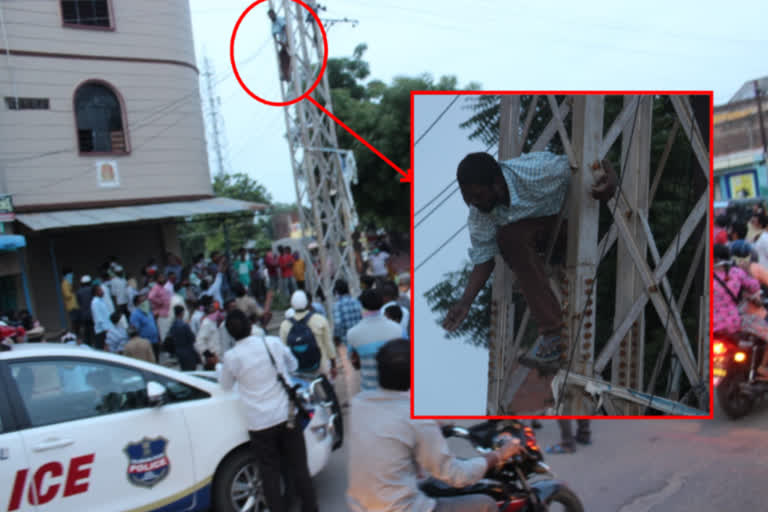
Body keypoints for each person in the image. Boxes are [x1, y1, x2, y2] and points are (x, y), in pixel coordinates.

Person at [443, 151, 617, 370]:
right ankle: (554, 333)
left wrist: (610, 176)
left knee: (510, 236)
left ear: (497, 183)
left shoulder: (539, 171)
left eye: (478, 196)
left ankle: (554, 331)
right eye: (468, 199)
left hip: (577, 224)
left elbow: (589, 161)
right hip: (542, 242)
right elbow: (484, 259)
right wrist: (465, 302)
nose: (474, 204)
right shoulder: (479, 214)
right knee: (508, 238)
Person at [346, 338, 523, 511]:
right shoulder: (415, 417)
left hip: (361, 505)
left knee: (430, 485)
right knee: (486, 503)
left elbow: (387, 435)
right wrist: (499, 454)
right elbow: (457, 475)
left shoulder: (360, 403)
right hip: (400, 508)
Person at [220, 309, 318, 512]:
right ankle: (310, 507)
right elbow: (293, 364)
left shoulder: (231, 357)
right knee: (299, 466)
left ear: (231, 334)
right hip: (287, 415)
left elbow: (226, 385)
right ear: (250, 325)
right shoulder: (271, 343)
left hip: (259, 423)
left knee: (269, 473)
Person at [347, 289, 403, 392]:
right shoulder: (398, 330)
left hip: (370, 392)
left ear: (361, 306)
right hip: (396, 392)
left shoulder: (352, 334)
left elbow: (354, 363)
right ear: (382, 303)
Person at [279, 290, 336, 378]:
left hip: (298, 369)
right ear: (308, 303)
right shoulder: (320, 319)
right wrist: (333, 365)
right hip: (321, 366)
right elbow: (329, 345)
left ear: (292, 305)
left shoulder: (284, 325)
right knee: (328, 390)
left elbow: (283, 350)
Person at [713, 244, 760, 339]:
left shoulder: (706, 277)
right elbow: (755, 287)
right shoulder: (736, 272)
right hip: (733, 325)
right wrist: (747, 270)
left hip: (711, 326)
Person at [129, 294, 161, 362]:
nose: (145, 302)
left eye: (145, 300)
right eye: (143, 301)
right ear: (137, 303)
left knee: (157, 361)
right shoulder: (135, 315)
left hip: (155, 341)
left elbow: (153, 324)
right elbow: (134, 330)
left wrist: (158, 336)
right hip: (145, 344)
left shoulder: (148, 311)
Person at [169, 304, 200, 371]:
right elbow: (192, 338)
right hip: (188, 351)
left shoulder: (173, 325)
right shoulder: (184, 325)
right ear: (182, 313)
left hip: (178, 351)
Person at [195, 299, 223, 370]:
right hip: (211, 361)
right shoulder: (207, 323)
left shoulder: (217, 322)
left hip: (219, 359)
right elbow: (199, 342)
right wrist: (210, 356)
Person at [149, 273, 172, 343]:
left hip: (166, 313)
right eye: (160, 277)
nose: (162, 279)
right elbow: (150, 297)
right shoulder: (156, 287)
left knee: (167, 332)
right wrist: (160, 302)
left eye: (163, 277)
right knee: (163, 334)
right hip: (161, 314)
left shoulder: (163, 287)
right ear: (157, 279)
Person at [90, 284, 111, 351]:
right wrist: (106, 329)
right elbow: (98, 318)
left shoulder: (101, 300)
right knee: (101, 350)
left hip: (107, 328)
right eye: (100, 290)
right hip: (102, 330)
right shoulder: (95, 303)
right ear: (96, 293)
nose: (102, 291)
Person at [61, 267, 80, 334]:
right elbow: (67, 295)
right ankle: (74, 335)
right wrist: (72, 291)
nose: (72, 275)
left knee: (77, 322)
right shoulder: (65, 283)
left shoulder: (69, 283)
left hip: (75, 305)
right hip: (71, 306)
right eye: (70, 274)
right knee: (75, 322)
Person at [76, 275, 94, 346]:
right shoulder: (92, 289)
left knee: (86, 332)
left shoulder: (79, 292)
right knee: (93, 330)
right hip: (92, 314)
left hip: (83, 315)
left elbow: (78, 303)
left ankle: (88, 345)